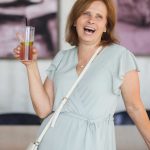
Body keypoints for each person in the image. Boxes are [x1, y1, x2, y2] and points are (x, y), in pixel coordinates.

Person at [13, 0, 150, 149]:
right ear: (75, 21)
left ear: (106, 26)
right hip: (53, 141)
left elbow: (135, 107)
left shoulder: (121, 56)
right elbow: (43, 110)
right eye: (86, 14)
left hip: (94, 142)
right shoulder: (62, 57)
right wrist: (31, 66)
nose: (91, 20)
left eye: (99, 16)